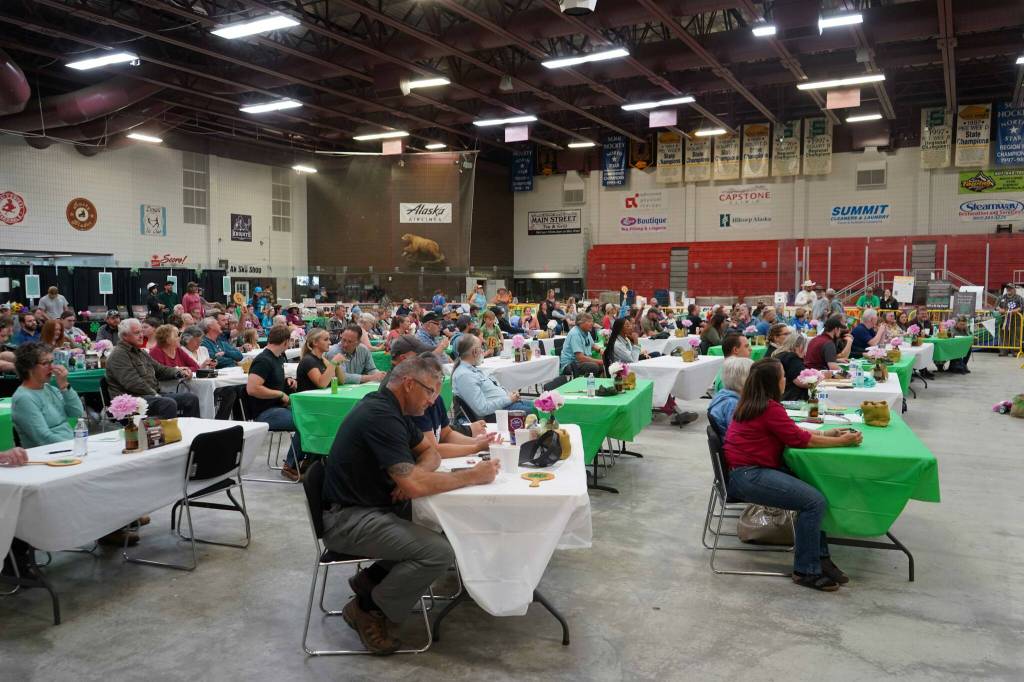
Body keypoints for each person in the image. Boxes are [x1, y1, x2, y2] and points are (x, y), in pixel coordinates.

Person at [320, 355, 498, 654]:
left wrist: (414, 476)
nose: (432, 400)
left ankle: (371, 579)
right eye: (430, 391)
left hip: (371, 507)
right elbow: (414, 484)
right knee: (439, 552)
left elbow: (432, 454)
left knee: (443, 526)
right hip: (348, 519)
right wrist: (471, 476)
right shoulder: (380, 415)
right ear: (408, 384)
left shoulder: (392, 409)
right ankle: (367, 608)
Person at [724, 359, 862, 591]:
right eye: (782, 376)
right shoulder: (769, 408)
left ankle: (820, 558)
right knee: (814, 501)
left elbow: (791, 432)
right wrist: (841, 441)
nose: (785, 380)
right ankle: (806, 570)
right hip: (750, 476)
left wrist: (828, 433)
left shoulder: (753, 404)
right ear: (774, 382)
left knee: (814, 491)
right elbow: (799, 440)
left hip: (745, 472)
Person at [104, 318, 199, 419]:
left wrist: (179, 372)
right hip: (132, 400)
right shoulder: (118, 354)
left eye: (141, 331)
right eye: (137, 333)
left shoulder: (141, 352)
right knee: (167, 404)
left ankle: (190, 431)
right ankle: (168, 433)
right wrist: (154, 394)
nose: (141, 335)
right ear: (124, 336)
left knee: (191, 398)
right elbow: (133, 383)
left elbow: (160, 369)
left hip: (150, 396)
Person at [245, 325, 306, 481]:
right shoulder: (263, 360)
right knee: (305, 422)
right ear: (286, 342)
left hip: (277, 407)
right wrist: (279, 393)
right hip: (265, 413)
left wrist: (287, 381)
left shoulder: (278, 358)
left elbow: (271, 382)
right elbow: (252, 388)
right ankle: (290, 466)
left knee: (311, 416)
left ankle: (303, 461)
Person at [11, 342, 85, 447]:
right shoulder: (24, 398)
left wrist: (64, 386)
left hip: (69, 446)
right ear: (29, 367)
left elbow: (76, 412)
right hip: (50, 453)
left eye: (52, 362)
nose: (52, 368)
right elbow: (43, 438)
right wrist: (75, 445)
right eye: (45, 363)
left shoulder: (49, 388)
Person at [451, 335, 534, 420]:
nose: (483, 351)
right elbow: (482, 409)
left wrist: (509, 395)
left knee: (540, 404)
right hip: (499, 413)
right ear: (475, 352)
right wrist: (508, 399)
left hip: (505, 406)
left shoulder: (471, 369)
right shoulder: (464, 375)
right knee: (541, 410)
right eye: (481, 348)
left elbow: (492, 392)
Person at [707, 356, 753, 436]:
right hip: (735, 444)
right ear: (744, 379)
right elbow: (740, 433)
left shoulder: (722, 394)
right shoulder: (733, 404)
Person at [296, 328, 343, 392]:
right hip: (309, 400)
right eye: (326, 340)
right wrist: (334, 362)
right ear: (315, 342)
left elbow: (341, 381)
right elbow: (321, 384)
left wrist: (337, 365)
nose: (330, 342)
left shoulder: (323, 360)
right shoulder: (308, 360)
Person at [773, 332, 816, 401]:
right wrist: (819, 381)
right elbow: (801, 382)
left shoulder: (779, 354)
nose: (805, 351)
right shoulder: (792, 358)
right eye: (804, 347)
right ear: (799, 346)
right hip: (793, 399)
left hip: (781, 396)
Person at [559, 312, 603, 378]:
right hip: (570, 364)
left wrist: (600, 350)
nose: (592, 324)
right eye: (589, 322)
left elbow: (593, 345)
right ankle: (587, 385)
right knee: (595, 366)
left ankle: (593, 384)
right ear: (580, 323)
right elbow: (581, 358)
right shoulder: (575, 334)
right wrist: (599, 361)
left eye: (592, 322)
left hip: (580, 362)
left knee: (600, 366)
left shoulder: (586, 331)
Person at [996, 283, 1023, 357]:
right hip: (1003, 321)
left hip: (1016, 321)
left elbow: (1021, 308)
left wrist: (1013, 311)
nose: (1009, 289)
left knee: (1016, 337)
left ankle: (1016, 352)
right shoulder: (1001, 297)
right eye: (1007, 288)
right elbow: (996, 307)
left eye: (1010, 288)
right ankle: (1003, 351)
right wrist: (1000, 309)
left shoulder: (1019, 298)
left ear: (1014, 289)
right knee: (1003, 336)